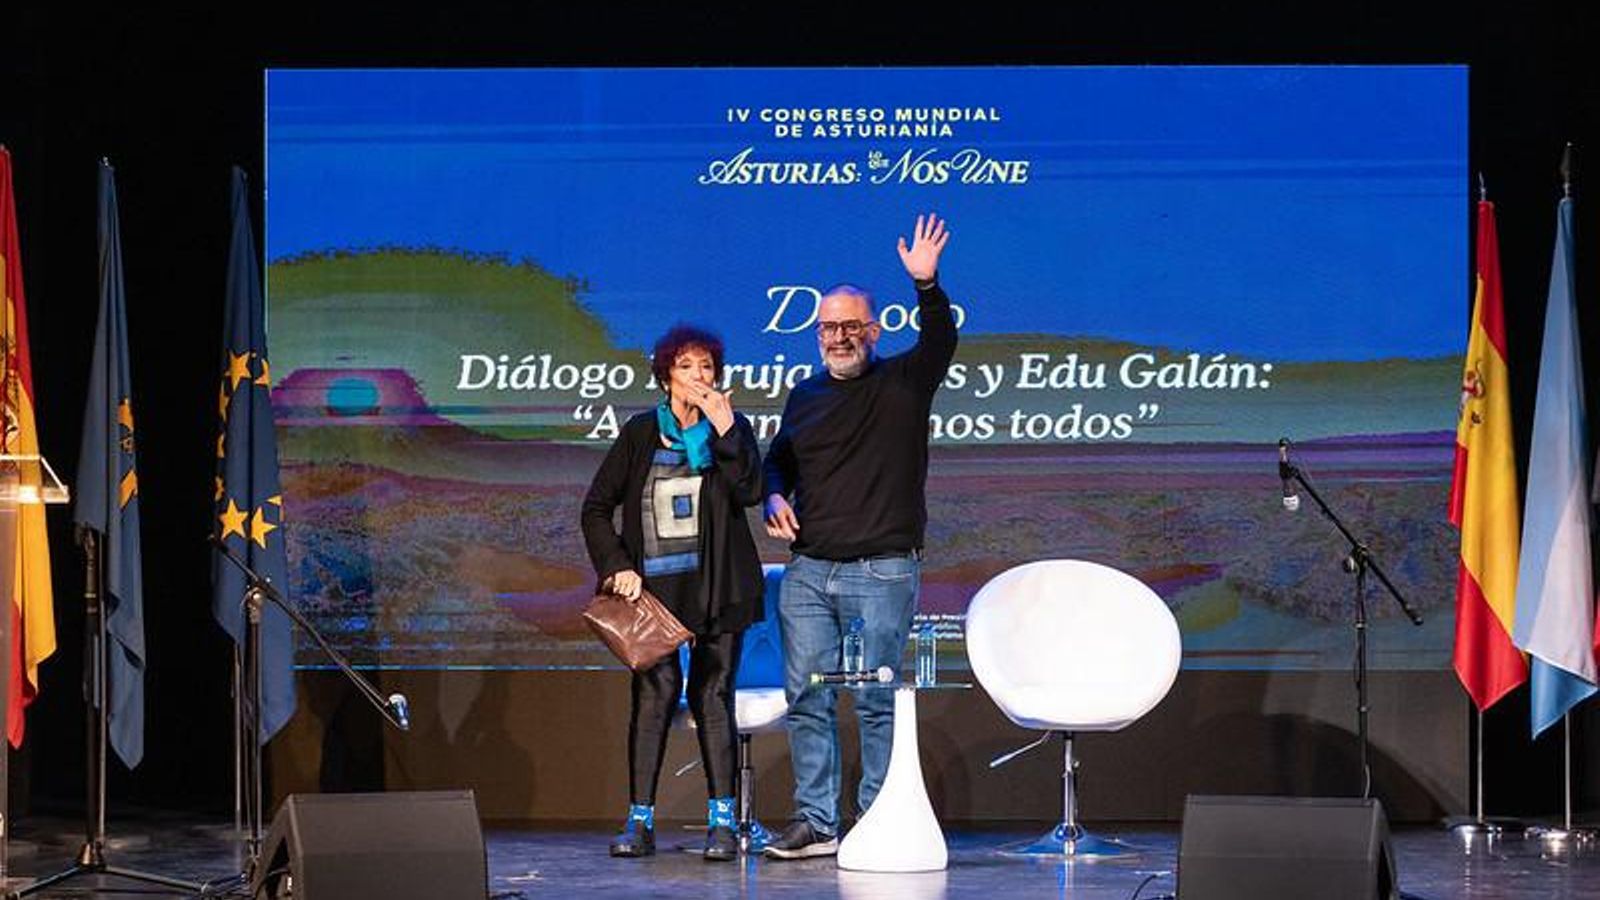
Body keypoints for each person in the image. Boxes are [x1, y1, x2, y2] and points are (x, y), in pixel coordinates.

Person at [760, 214, 957, 858]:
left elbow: (940, 343)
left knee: (876, 700)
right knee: (805, 699)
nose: (838, 337)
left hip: (884, 569)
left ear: (873, 330)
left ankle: (873, 820)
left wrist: (926, 285)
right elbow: (778, 459)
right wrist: (772, 492)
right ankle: (817, 822)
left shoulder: (904, 382)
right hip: (810, 571)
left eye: (851, 326)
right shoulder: (805, 394)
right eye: (828, 327)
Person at [580, 325, 765, 861]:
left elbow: (751, 492)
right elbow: (595, 508)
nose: (699, 377)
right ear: (666, 376)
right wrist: (617, 566)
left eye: (707, 367)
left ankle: (722, 823)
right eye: (687, 367)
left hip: (718, 588)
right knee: (655, 697)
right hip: (652, 594)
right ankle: (640, 822)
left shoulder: (732, 429)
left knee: (713, 697)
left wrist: (727, 430)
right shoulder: (640, 433)